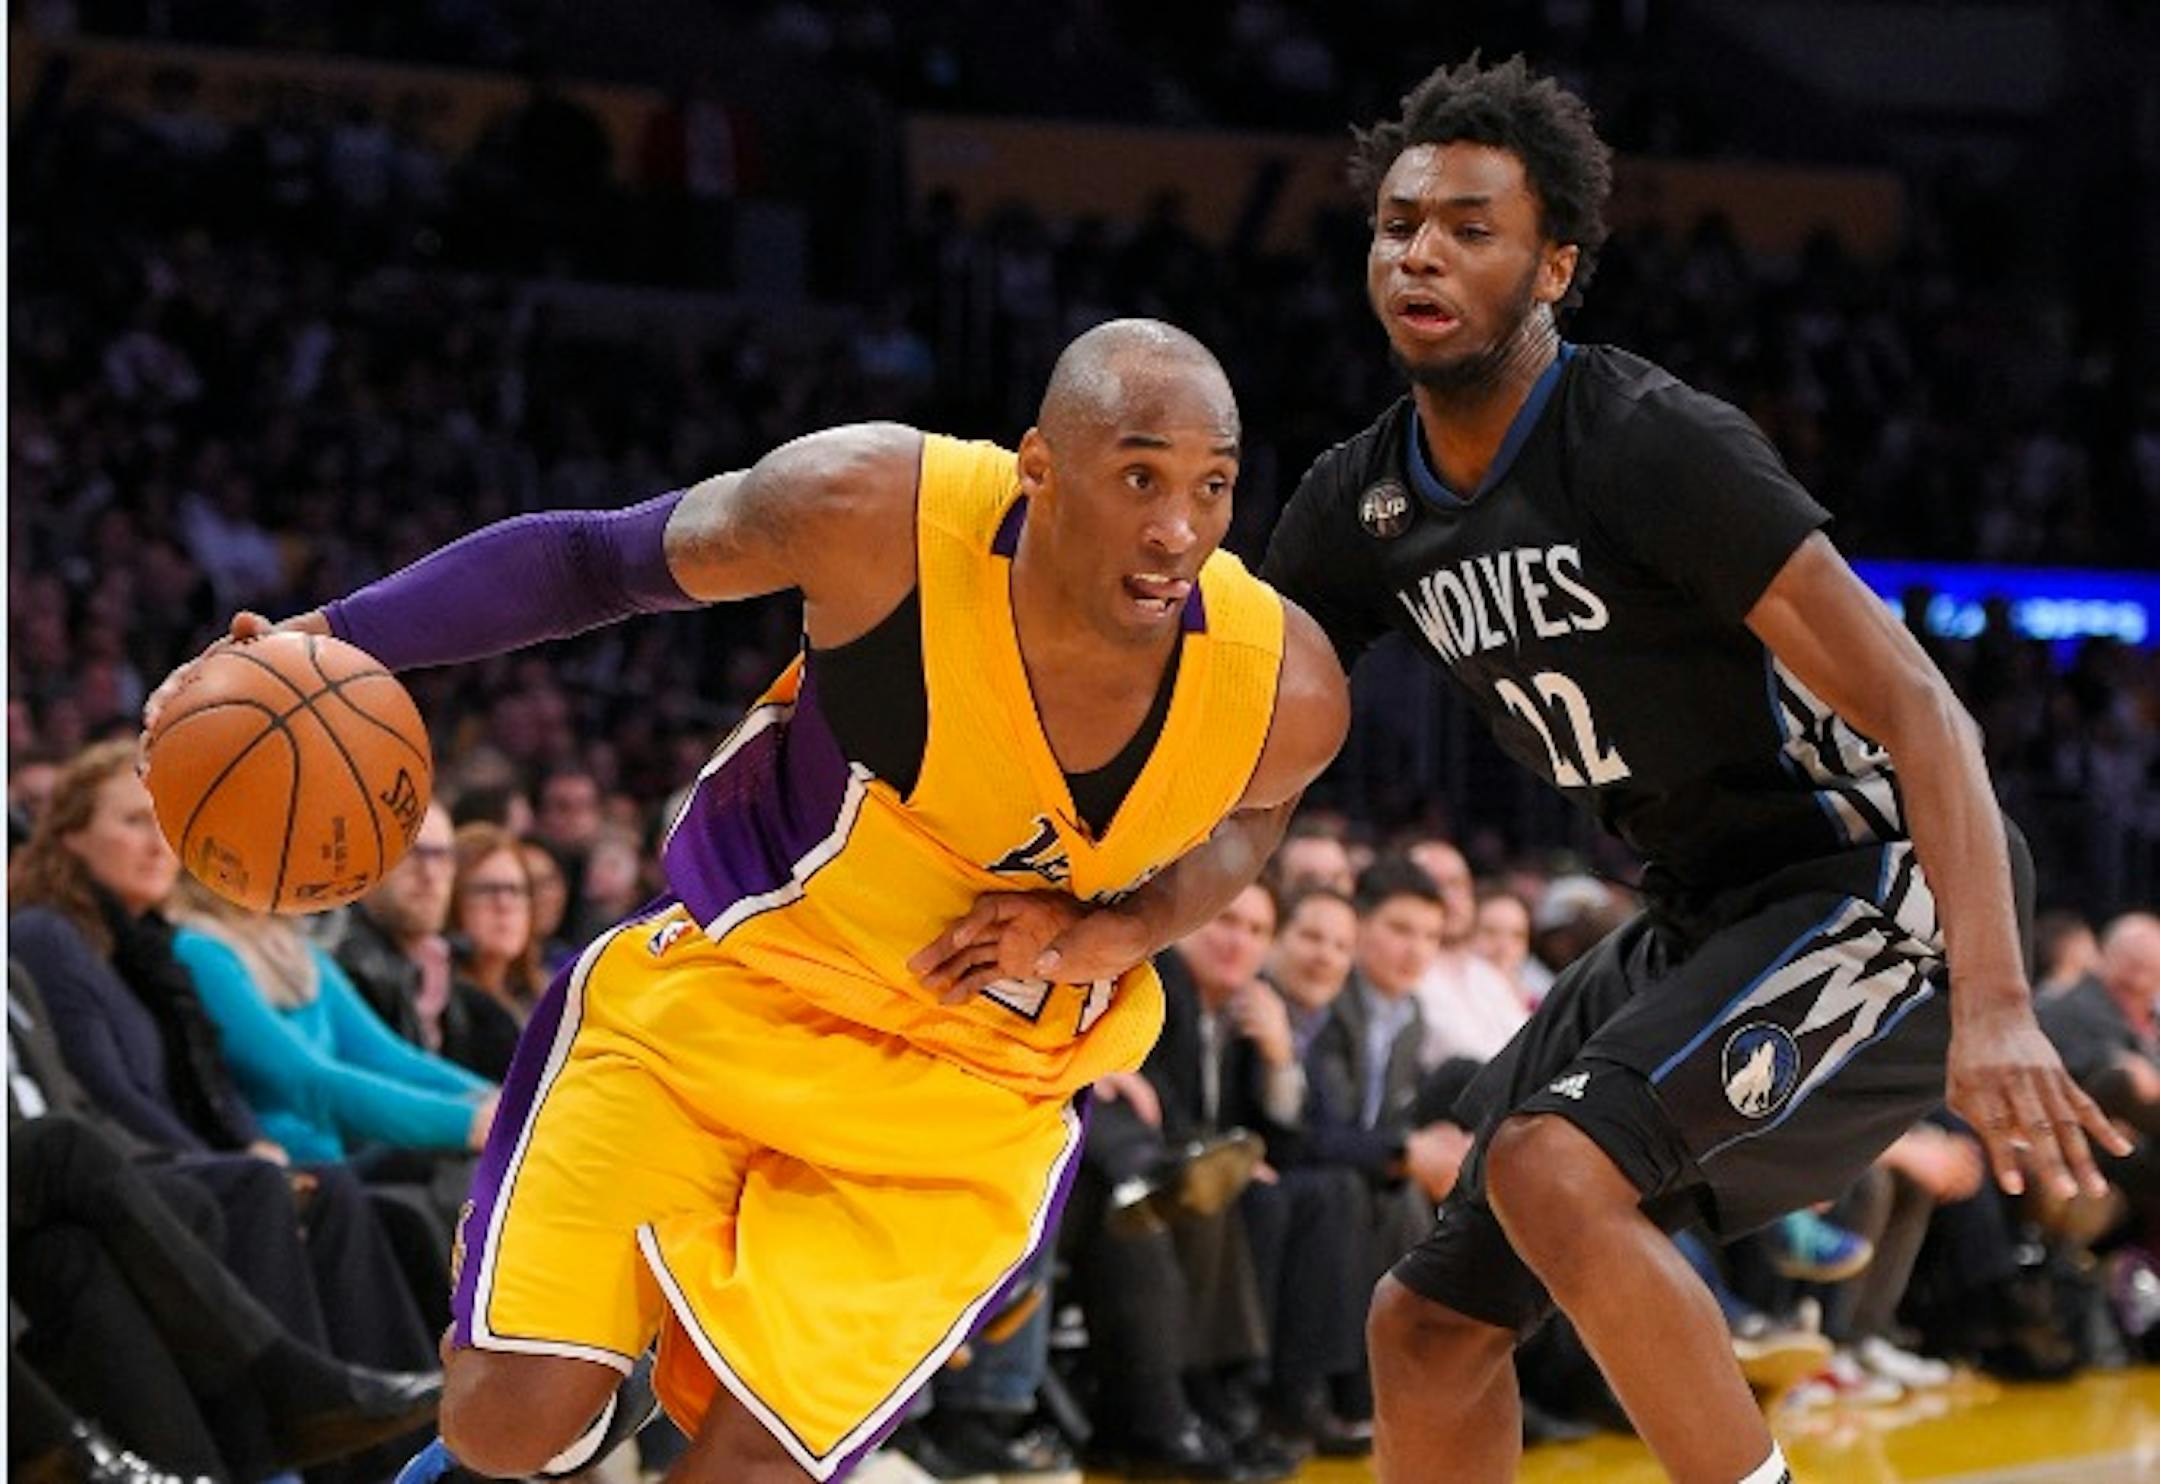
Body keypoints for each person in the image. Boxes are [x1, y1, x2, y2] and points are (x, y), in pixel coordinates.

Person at [146, 318, 1348, 1484]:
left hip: (969, 1090)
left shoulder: (1281, 685)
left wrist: (1120, 930)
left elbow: (1253, 817)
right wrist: (327, 635)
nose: (1175, 528)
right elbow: (593, 560)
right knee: (507, 1428)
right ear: (1039, 467)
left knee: (754, 1464)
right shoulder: (874, 512)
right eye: (1139, 477)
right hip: (731, 997)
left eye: (1213, 487)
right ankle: (607, 1367)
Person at [1256, 56, 2118, 1484]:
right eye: (1399, 223)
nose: (1420, 250)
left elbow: (1925, 707)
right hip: (1699, 907)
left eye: (1471, 225)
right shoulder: (1360, 501)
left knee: (1551, 1165)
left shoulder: (1644, 439)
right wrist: (1113, 919)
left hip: (1871, 877)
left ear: (1555, 266)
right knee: (1422, 1326)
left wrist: (2001, 1001)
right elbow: (1247, 768)